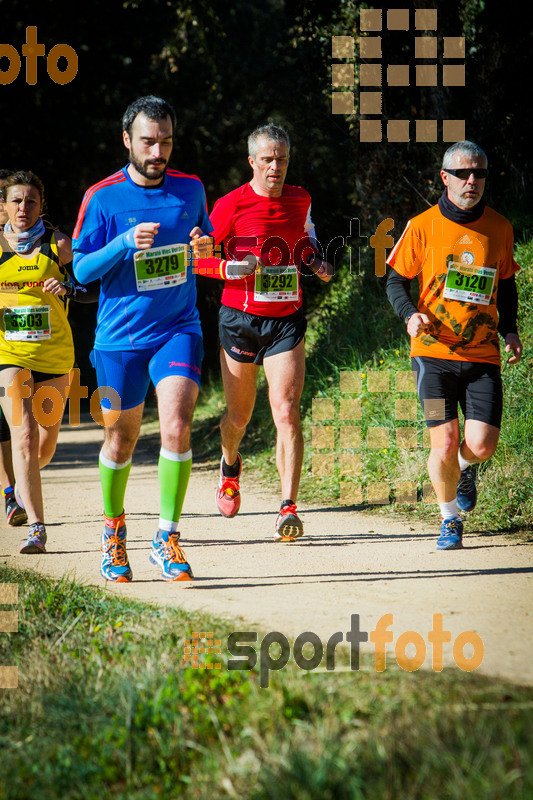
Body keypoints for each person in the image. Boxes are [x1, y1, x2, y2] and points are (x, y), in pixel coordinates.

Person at [72, 95, 213, 583]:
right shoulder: (102, 196)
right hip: (119, 337)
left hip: (178, 326)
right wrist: (123, 243)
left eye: (167, 141)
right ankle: (114, 533)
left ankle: (167, 535)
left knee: (176, 425)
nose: (159, 151)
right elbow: (83, 269)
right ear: (127, 140)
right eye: (149, 141)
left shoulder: (191, 188)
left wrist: (205, 246)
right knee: (121, 438)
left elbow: (207, 241)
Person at [194, 123, 332, 541]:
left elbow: (305, 239)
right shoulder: (230, 204)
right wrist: (229, 268)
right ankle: (229, 463)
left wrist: (314, 262)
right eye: (268, 159)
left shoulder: (300, 198)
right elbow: (198, 260)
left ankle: (288, 507)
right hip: (239, 318)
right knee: (238, 416)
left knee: (287, 411)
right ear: (252, 161)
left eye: (283, 159)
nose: (276, 167)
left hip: (286, 318)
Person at [386, 140, 522, 550]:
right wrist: (411, 314)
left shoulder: (499, 227)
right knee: (442, 441)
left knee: (481, 444)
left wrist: (510, 329)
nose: (471, 181)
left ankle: (463, 468)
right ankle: (449, 520)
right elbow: (395, 279)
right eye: (462, 173)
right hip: (433, 356)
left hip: (482, 356)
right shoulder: (422, 225)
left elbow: (507, 283)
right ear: (444, 177)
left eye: (479, 173)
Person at [0, 170, 80, 552]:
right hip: (8, 355)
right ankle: (37, 527)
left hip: (55, 355)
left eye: (31, 201)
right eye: (16, 200)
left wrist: (68, 286)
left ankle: (16, 483)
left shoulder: (59, 244)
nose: (23, 208)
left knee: (43, 448)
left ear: (41, 206)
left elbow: (91, 285)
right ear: (4, 204)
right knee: (25, 436)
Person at [0, 169, 27, 525]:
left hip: (14, 344)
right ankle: (10, 493)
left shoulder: (27, 242)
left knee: (15, 425)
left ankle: (16, 487)